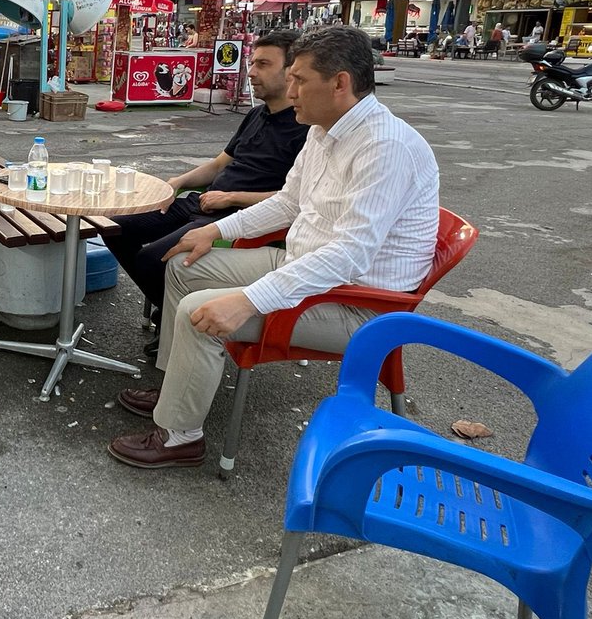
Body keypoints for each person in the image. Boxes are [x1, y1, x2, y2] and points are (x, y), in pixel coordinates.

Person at [108, 25, 439, 469]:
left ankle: (179, 436)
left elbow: (350, 256)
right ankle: (176, 388)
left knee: (197, 308)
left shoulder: (385, 146)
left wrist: (247, 299)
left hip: (357, 303)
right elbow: (289, 202)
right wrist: (216, 230)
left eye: (300, 79)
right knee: (185, 264)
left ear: (340, 83)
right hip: (308, 266)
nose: (291, 88)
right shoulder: (325, 130)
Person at [104, 30, 308, 356]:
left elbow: (292, 199)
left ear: (291, 71)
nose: (251, 72)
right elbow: (218, 165)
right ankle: (169, 307)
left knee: (152, 258)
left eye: (263, 64)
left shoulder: (305, 127)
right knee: (115, 226)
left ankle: (179, 320)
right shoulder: (256, 115)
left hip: (237, 219)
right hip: (200, 204)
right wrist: (177, 181)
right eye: (252, 63)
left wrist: (233, 198)